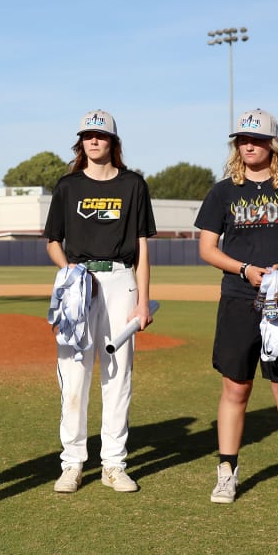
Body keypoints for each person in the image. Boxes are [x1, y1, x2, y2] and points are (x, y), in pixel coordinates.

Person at [194, 108, 278, 506]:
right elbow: (207, 248)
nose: (248, 146)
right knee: (236, 388)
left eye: (256, 140)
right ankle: (226, 472)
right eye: (242, 140)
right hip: (239, 300)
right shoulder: (223, 192)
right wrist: (244, 269)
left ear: (273, 144)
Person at [43, 109, 157, 493]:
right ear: (81, 142)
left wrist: (143, 300)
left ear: (113, 141)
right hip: (78, 282)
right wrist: (70, 274)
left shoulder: (133, 185)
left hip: (121, 280)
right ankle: (72, 463)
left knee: (117, 375)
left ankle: (114, 464)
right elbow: (53, 242)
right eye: (87, 136)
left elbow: (142, 247)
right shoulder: (68, 186)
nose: (94, 140)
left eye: (101, 135)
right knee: (73, 374)